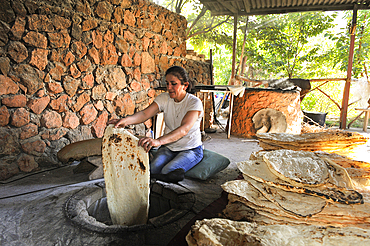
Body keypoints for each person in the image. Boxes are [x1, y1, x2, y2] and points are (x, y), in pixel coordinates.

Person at [108, 66, 204, 183]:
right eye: (167, 83)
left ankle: (171, 174)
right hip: (169, 147)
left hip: (191, 149)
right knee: (151, 169)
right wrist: (124, 121)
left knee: (167, 170)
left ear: (185, 85)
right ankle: (167, 176)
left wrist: (158, 141)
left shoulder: (194, 103)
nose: (169, 88)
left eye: (173, 84)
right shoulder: (164, 98)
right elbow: (144, 114)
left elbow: (184, 130)